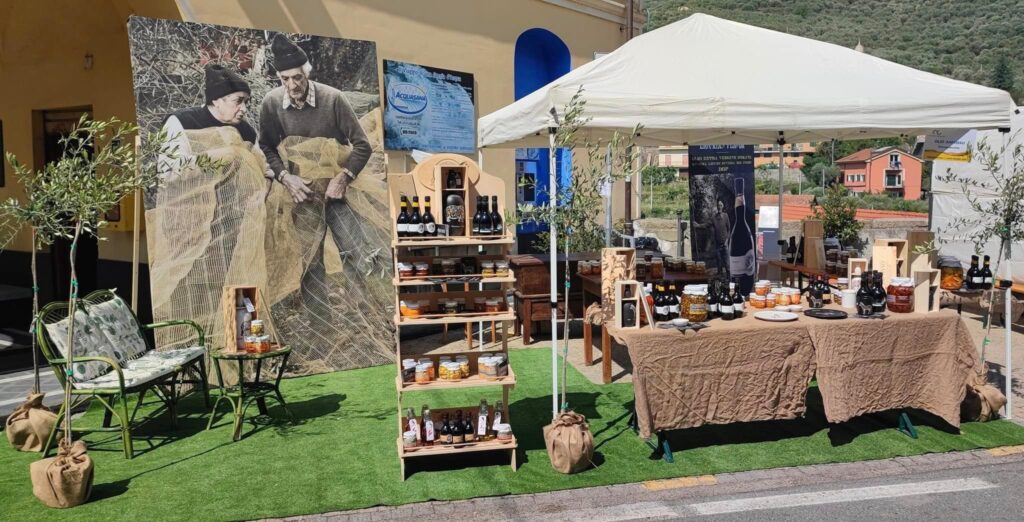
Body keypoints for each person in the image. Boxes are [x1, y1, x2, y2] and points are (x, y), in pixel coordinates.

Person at [258, 33, 374, 316]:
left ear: (306, 72)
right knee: (310, 260)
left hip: (338, 191)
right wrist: (285, 177)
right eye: (285, 79)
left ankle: (366, 316)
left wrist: (343, 178)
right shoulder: (271, 103)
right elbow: (266, 146)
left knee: (353, 251)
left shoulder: (333, 98)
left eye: (297, 77)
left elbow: (363, 145)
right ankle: (320, 324)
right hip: (302, 192)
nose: (292, 85)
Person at [160, 64, 256, 178]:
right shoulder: (181, 121)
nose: (244, 109)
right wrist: (222, 155)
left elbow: (263, 169)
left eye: (246, 102)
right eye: (238, 101)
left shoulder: (247, 131)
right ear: (216, 100)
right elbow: (168, 172)